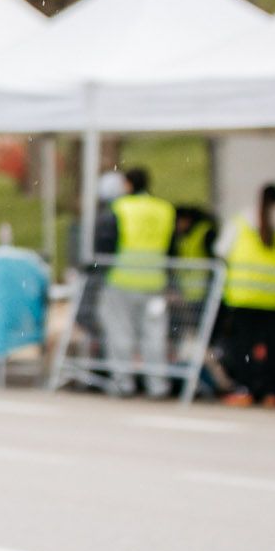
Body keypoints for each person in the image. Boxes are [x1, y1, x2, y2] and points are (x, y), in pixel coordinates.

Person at [214, 182, 275, 407]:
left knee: (242, 347)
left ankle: (245, 389)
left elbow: (221, 250)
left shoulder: (242, 219)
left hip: (244, 296)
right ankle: (272, 393)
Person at [99, 166, 175, 397]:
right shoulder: (164, 209)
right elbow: (172, 246)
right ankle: (158, 385)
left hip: (122, 280)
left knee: (121, 333)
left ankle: (123, 382)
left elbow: (106, 243)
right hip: (155, 282)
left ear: (128, 185)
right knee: (154, 335)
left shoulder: (120, 208)